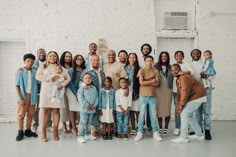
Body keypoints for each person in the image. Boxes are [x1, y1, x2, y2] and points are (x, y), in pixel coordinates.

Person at [36, 51, 70, 142]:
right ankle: (43, 132)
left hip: (57, 91)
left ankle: (55, 131)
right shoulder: (43, 66)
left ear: (57, 57)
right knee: (45, 110)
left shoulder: (61, 67)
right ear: (47, 57)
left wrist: (62, 85)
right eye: (50, 55)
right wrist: (49, 78)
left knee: (56, 110)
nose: (52, 57)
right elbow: (38, 76)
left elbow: (68, 78)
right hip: (46, 91)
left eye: (54, 56)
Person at [171, 64, 207, 143]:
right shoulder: (179, 78)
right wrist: (178, 106)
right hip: (195, 97)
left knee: (184, 114)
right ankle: (199, 135)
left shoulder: (183, 78)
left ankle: (183, 137)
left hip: (197, 96)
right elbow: (179, 94)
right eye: (172, 70)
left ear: (180, 69)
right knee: (189, 115)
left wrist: (181, 107)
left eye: (175, 69)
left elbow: (185, 93)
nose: (173, 71)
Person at [134, 55, 162, 142]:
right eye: (147, 60)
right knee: (141, 114)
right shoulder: (141, 70)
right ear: (145, 61)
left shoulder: (155, 71)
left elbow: (157, 84)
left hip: (152, 95)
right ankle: (140, 132)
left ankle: (155, 132)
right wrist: (152, 81)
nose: (149, 62)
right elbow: (141, 83)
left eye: (151, 60)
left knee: (153, 114)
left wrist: (148, 82)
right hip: (143, 95)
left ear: (153, 62)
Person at [81, 54, 105, 137]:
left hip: (101, 95)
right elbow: (81, 81)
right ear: (91, 61)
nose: (96, 62)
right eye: (94, 60)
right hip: (91, 96)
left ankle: (97, 129)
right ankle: (91, 131)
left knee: (98, 112)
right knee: (92, 113)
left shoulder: (101, 71)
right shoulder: (87, 71)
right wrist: (83, 85)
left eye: (97, 60)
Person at [15, 53, 38, 141]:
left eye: (32, 61)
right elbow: (17, 86)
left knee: (31, 114)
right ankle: (20, 131)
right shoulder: (20, 72)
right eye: (28, 61)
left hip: (32, 96)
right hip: (23, 96)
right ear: (24, 61)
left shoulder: (35, 72)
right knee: (21, 114)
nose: (30, 63)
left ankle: (28, 130)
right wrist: (20, 98)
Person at [196, 50, 216, 140]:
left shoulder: (207, 63)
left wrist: (206, 77)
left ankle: (207, 130)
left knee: (206, 111)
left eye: (197, 54)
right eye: (193, 53)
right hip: (197, 90)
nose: (195, 55)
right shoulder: (191, 64)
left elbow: (213, 76)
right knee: (197, 111)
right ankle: (198, 130)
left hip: (206, 90)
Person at [172, 50, 194, 136]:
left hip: (185, 91)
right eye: (177, 55)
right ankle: (177, 127)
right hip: (175, 91)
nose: (179, 57)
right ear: (175, 57)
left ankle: (186, 127)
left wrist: (183, 72)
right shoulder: (173, 66)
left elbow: (192, 72)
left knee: (186, 109)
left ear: (183, 57)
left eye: (180, 55)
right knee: (177, 109)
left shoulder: (186, 65)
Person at [154, 51, 173, 136]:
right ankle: (160, 127)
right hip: (158, 89)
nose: (163, 58)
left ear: (168, 57)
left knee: (167, 109)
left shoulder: (171, 67)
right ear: (160, 57)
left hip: (168, 89)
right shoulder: (156, 67)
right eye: (162, 56)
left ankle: (166, 128)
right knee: (159, 109)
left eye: (165, 56)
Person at [67, 54, 86, 136]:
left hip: (80, 91)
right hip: (72, 90)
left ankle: (74, 126)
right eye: (78, 59)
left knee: (78, 108)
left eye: (81, 59)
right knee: (72, 108)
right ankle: (73, 128)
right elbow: (70, 83)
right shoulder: (71, 70)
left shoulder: (83, 70)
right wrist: (75, 93)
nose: (79, 60)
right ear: (74, 60)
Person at [77, 73, 98, 143]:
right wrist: (87, 105)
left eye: (89, 78)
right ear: (83, 79)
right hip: (84, 109)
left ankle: (88, 134)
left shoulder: (94, 88)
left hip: (92, 109)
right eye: (86, 78)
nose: (87, 79)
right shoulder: (81, 88)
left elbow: (96, 97)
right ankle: (80, 136)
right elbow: (80, 98)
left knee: (89, 122)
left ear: (91, 79)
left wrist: (95, 105)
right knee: (83, 122)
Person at [124, 53, 140, 135]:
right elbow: (124, 80)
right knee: (131, 111)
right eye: (130, 57)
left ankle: (139, 127)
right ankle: (133, 128)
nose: (132, 59)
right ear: (128, 59)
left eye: (134, 58)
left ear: (136, 59)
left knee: (138, 111)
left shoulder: (139, 68)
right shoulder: (125, 68)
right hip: (128, 90)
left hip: (137, 91)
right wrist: (126, 89)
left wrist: (137, 93)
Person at [32, 48, 47, 133]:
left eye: (43, 53)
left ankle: (48, 125)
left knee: (48, 107)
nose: (42, 54)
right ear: (37, 55)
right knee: (36, 108)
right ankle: (35, 125)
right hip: (37, 90)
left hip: (47, 90)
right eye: (40, 53)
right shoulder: (34, 64)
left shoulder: (49, 63)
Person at [140, 43, 153, 134]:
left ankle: (149, 126)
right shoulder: (139, 61)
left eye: (147, 49)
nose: (146, 50)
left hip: (150, 88)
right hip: (141, 88)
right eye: (144, 49)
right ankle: (140, 126)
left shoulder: (152, 61)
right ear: (142, 50)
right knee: (141, 108)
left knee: (149, 109)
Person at [59, 51, 73, 133]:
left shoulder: (72, 66)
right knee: (63, 108)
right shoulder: (60, 66)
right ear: (63, 57)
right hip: (62, 89)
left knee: (71, 107)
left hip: (71, 89)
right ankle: (64, 125)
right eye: (66, 56)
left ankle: (71, 124)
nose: (68, 58)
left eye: (69, 57)